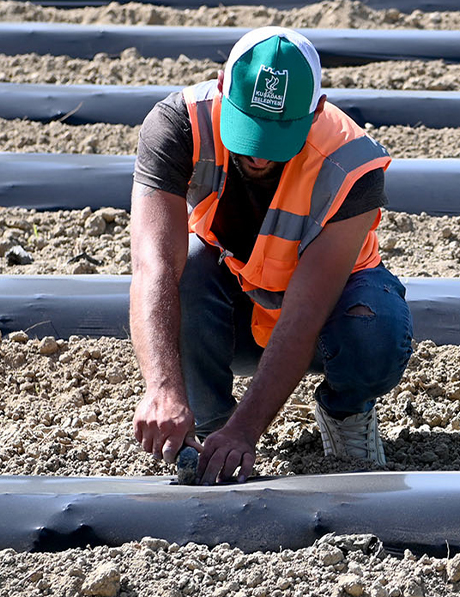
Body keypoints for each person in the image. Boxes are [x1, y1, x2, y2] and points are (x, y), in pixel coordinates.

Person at [130, 26, 413, 484]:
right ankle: (208, 427)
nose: (258, 156)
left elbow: (305, 314)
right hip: (238, 298)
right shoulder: (178, 126)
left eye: (275, 137)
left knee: (374, 329)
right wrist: (163, 388)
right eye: (248, 129)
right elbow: (152, 266)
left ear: (316, 110)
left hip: (330, 316)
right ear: (223, 87)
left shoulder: (352, 164)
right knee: (186, 271)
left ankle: (345, 412)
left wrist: (248, 430)